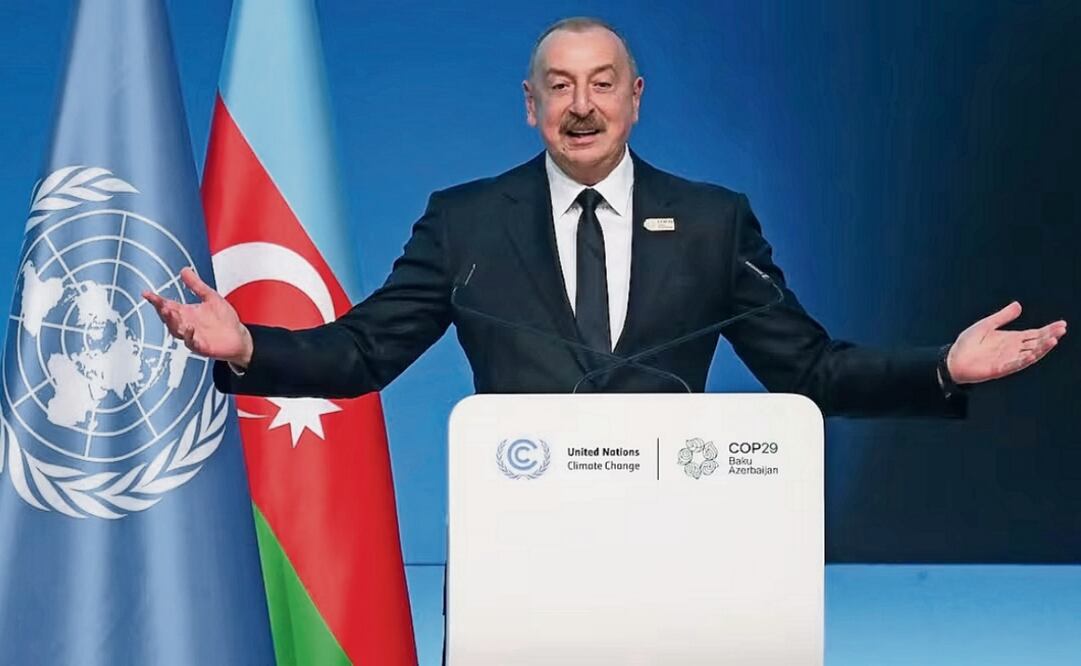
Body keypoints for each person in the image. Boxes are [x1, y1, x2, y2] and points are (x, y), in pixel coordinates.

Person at [145, 17, 1065, 417]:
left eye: (600, 85)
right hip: (522, 532)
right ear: (529, 106)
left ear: (635, 99)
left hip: (673, 536)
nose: (579, 106)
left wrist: (942, 367)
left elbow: (811, 367)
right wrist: (247, 347)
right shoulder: (463, 222)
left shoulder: (712, 222)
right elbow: (360, 356)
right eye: (558, 87)